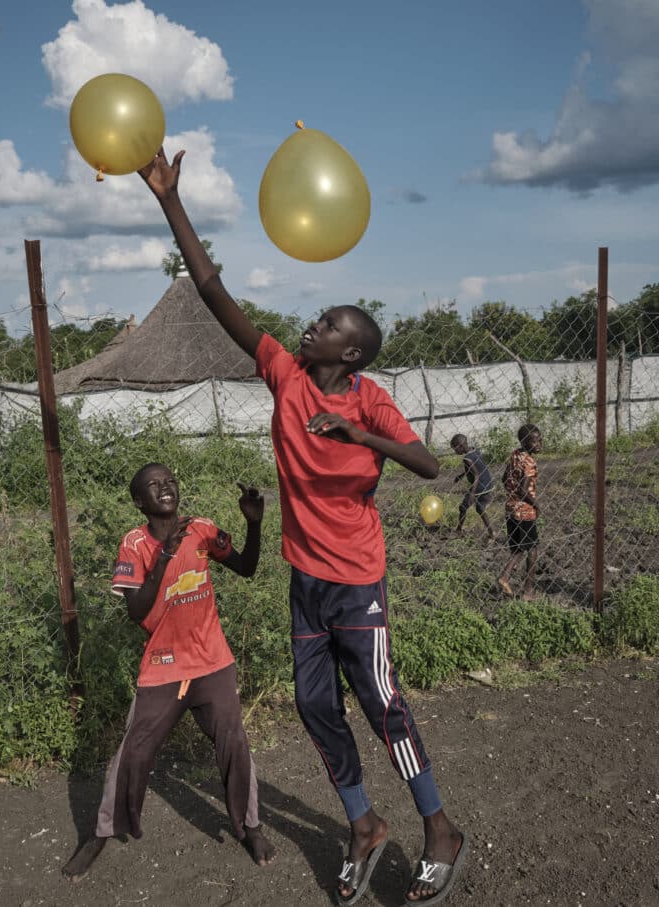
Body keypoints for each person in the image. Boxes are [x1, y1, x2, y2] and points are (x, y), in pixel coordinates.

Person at [139, 149, 467, 906]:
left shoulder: (371, 400)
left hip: (358, 585)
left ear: (349, 351)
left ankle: (440, 827)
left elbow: (424, 465)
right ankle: (363, 824)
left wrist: (362, 440)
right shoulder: (285, 374)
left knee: (383, 705)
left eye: (326, 324)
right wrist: (170, 203)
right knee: (315, 707)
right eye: (317, 320)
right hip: (307, 585)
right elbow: (217, 293)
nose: (310, 325)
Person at [61, 463, 275, 882]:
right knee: (133, 750)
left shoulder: (202, 529)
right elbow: (136, 611)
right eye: (153, 485)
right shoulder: (134, 544)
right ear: (140, 501)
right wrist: (165, 555)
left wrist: (254, 525)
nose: (165, 488)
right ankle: (100, 835)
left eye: (170, 481)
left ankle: (251, 828)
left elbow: (247, 568)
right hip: (163, 666)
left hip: (212, 660)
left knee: (234, 739)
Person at [498, 424, 542, 599]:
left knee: (518, 548)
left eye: (540, 440)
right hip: (524, 511)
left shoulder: (515, 455)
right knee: (532, 549)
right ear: (524, 442)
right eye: (534, 441)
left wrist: (512, 491)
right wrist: (536, 504)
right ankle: (528, 591)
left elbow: (504, 478)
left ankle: (505, 577)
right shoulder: (530, 462)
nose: (538, 444)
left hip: (510, 507)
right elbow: (524, 490)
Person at [449, 434, 496, 541]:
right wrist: (461, 475)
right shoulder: (475, 450)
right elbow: (477, 467)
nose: (455, 452)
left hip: (479, 486)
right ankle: (492, 532)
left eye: (455, 449)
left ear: (461, 446)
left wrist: (471, 493)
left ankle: (459, 530)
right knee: (480, 508)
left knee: (463, 507)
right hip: (488, 483)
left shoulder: (466, 458)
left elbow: (476, 475)